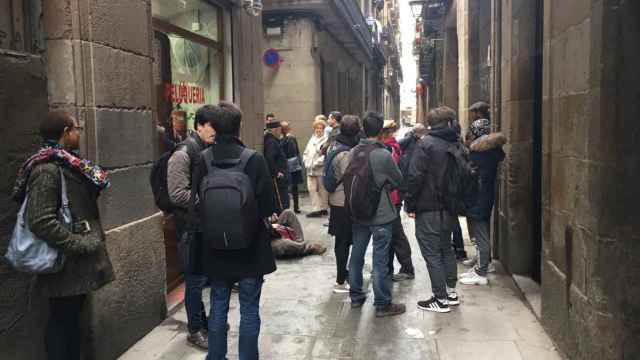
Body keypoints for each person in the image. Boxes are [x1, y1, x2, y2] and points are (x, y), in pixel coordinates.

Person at [12, 112, 114, 360]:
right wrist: (78, 244)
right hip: (63, 262)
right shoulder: (46, 170)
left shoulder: (68, 163)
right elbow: (40, 220)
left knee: (69, 319)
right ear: (66, 132)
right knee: (61, 320)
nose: (79, 133)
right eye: (76, 129)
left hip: (74, 263)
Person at [190, 101, 277, 360]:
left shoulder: (203, 159)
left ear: (214, 127)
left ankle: (216, 356)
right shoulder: (254, 159)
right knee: (249, 308)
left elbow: (196, 201)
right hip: (250, 247)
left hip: (215, 246)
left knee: (218, 305)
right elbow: (268, 207)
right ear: (240, 127)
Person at [167, 105, 216, 349]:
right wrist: (208, 199)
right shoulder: (184, 152)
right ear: (199, 125)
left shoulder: (205, 149)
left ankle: (203, 322)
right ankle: (195, 328)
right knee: (194, 280)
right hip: (188, 227)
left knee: (201, 278)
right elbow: (177, 194)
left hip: (201, 225)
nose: (215, 132)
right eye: (211, 127)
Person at [348, 111, 406, 318]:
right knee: (380, 259)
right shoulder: (382, 155)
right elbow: (398, 180)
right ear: (381, 131)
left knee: (357, 254)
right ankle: (382, 304)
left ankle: (355, 296)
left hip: (358, 211)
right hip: (380, 214)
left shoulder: (354, 151)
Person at [405, 106, 461, 313]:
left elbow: (414, 177)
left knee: (432, 253)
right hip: (450, 207)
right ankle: (451, 292)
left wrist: (410, 204)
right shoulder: (455, 142)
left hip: (429, 207)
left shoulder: (425, 144)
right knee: (446, 248)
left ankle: (440, 299)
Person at [459, 119, 506, 285]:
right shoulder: (493, 152)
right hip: (485, 196)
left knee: (481, 235)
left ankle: (481, 272)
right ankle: (484, 264)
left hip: (478, 197)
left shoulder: (480, 154)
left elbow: (471, 176)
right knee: (483, 232)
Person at [326, 115, 361, 293]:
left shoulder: (335, 145)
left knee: (342, 241)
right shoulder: (346, 153)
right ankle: (342, 279)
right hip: (344, 202)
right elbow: (351, 181)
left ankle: (344, 275)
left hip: (336, 201)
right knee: (345, 242)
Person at [381, 120, 415, 282]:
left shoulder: (389, 149)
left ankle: (407, 268)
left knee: (396, 234)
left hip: (391, 198)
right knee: (392, 233)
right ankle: (389, 268)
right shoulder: (393, 147)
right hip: (393, 197)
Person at [303, 116, 329, 218]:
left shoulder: (326, 139)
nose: (318, 130)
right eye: (316, 128)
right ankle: (316, 209)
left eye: (320, 128)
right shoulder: (312, 139)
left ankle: (323, 208)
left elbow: (325, 155)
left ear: (323, 129)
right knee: (311, 189)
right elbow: (306, 152)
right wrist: (305, 161)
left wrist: (317, 163)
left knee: (322, 189)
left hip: (319, 169)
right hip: (309, 169)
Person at [264, 120, 289, 212]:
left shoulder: (273, 141)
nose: (280, 132)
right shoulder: (271, 142)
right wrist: (276, 173)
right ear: (275, 130)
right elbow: (269, 159)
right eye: (279, 130)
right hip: (278, 180)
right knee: (282, 204)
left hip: (280, 178)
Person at [280, 121, 303, 214]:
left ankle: (288, 207)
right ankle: (296, 207)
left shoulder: (281, 139)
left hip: (286, 165)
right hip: (294, 164)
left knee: (288, 187)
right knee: (294, 187)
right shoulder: (292, 138)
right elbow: (296, 151)